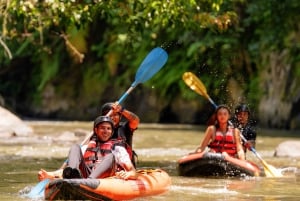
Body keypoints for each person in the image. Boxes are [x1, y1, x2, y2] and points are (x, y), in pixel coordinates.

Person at [62, 115, 137, 179]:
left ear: (112, 132)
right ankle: (72, 175)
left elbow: (133, 172)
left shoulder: (118, 148)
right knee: (75, 147)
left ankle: (90, 180)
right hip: (86, 174)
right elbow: (71, 163)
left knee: (111, 156)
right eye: (102, 128)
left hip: (103, 177)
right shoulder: (87, 147)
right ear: (96, 130)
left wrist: (128, 174)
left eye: (108, 129)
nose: (105, 131)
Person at [100, 102, 140, 166]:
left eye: (115, 115)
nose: (112, 118)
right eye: (110, 115)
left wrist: (122, 110)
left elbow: (135, 121)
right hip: (105, 166)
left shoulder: (125, 128)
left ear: (120, 117)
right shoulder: (99, 130)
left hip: (124, 168)